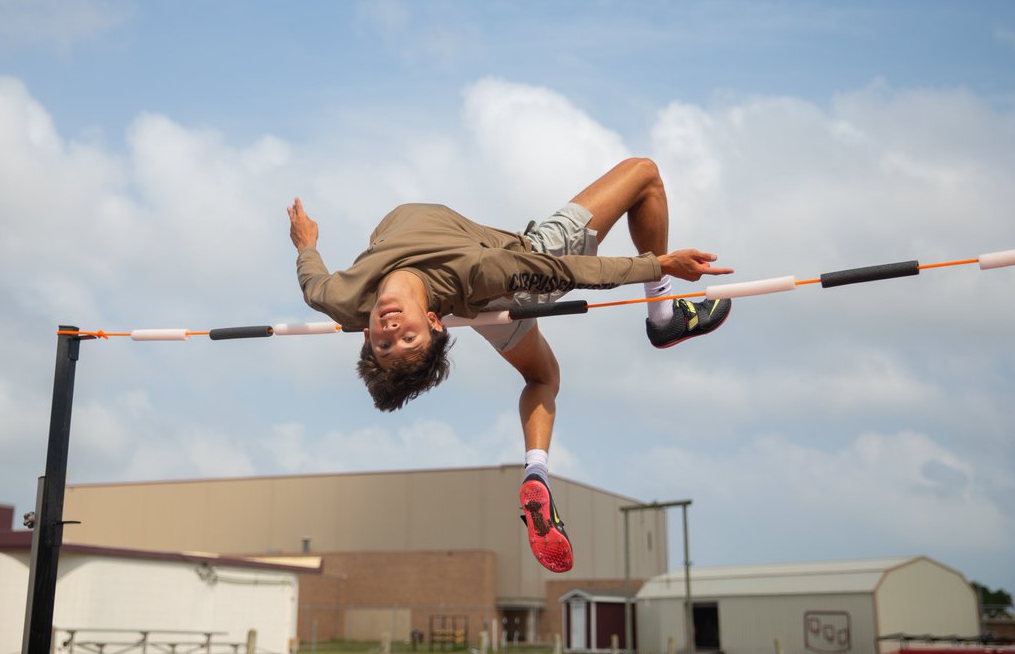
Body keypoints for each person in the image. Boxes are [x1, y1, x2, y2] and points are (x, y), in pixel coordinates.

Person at [287, 158, 733, 572]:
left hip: (485, 302)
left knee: (543, 377)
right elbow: (568, 271)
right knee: (644, 174)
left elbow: (311, 280)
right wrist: (658, 265)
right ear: (433, 323)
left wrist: (306, 242)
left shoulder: (342, 299)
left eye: (387, 344)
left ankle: (535, 471)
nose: (393, 329)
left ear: (366, 333)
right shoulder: (479, 270)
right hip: (517, 278)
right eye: (409, 338)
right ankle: (664, 317)